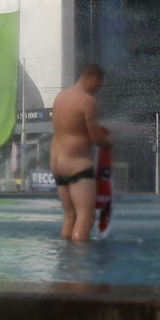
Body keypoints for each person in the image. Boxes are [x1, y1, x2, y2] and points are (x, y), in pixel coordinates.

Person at [50, 63, 112, 241]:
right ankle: (80, 256)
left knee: (70, 216)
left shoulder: (60, 96)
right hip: (76, 164)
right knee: (86, 217)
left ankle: (65, 254)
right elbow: (96, 139)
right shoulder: (87, 101)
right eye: (100, 85)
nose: (99, 90)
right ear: (94, 79)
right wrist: (110, 141)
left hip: (57, 162)